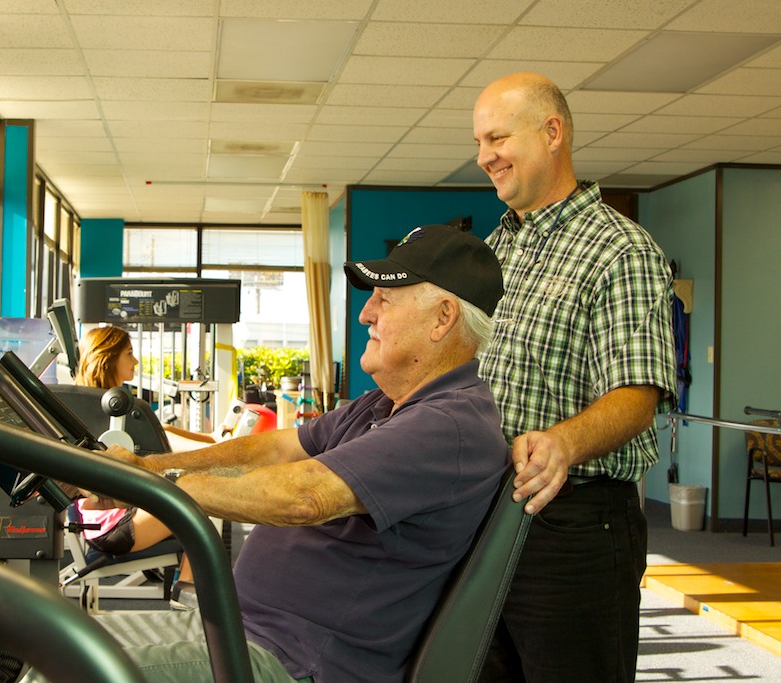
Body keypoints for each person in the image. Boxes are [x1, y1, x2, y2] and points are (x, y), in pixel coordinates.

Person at [80, 224, 510, 683]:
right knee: (37, 638)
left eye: (384, 299)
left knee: (63, 667)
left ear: (442, 318)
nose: (366, 314)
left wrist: (152, 486)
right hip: (235, 629)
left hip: (291, 662)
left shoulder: (449, 425)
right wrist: (148, 466)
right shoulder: (383, 403)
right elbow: (279, 447)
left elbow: (306, 496)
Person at [472, 72, 677, 682]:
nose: (485, 157)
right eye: (480, 143)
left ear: (552, 133)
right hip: (485, 518)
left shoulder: (622, 250)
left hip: (575, 529)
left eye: (498, 138)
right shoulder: (495, 249)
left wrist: (564, 441)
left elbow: (638, 396)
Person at [73, 326, 194, 595]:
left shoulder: (94, 407)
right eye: (129, 353)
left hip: (111, 519)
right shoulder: (117, 412)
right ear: (108, 358)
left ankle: (190, 594)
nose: (135, 361)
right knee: (200, 515)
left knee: (199, 501)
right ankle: (189, 596)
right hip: (114, 526)